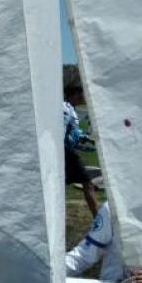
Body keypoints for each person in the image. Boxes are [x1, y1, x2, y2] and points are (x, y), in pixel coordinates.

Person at [63, 84, 99, 215]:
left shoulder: (70, 108)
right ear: (73, 95)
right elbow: (62, 131)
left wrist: (87, 140)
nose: (82, 97)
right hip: (66, 152)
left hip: (66, 152)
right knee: (87, 183)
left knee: (85, 183)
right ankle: (98, 219)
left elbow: (74, 133)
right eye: (80, 94)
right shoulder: (65, 109)